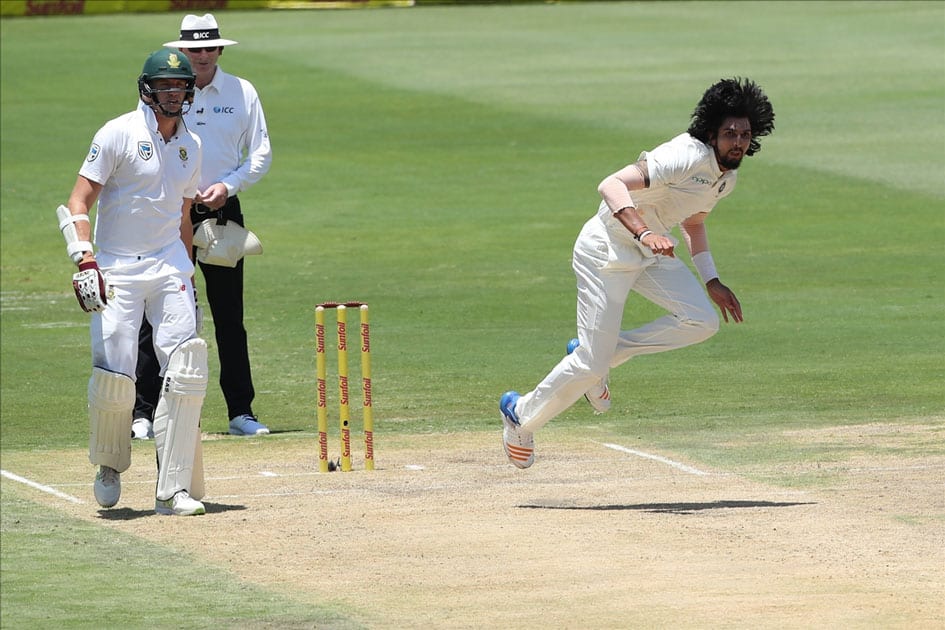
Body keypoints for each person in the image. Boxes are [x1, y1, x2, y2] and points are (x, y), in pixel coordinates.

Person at [499, 78, 776, 469]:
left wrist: (711, 280)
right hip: (606, 249)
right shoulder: (685, 155)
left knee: (701, 321)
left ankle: (601, 355)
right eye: (730, 133)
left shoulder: (725, 179)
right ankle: (519, 415)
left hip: (650, 252)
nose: (738, 142)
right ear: (712, 133)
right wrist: (644, 232)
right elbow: (611, 184)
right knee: (591, 367)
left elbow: (694, 224)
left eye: (745, 135)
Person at [59, 48, 208, 515]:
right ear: (147, 89)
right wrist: (85, 261)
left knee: (185, 365)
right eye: (164, 86)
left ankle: (174, 487)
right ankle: (108, 464)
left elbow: (184, 215)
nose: (172, 93)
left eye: (179, 86)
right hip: (118, 266)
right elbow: (79, 200)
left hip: (168, 265)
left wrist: (188, 269)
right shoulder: (118, 133)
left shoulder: (192, 146)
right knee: (115, 373)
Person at [132, 13, 273, 440]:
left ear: (220, 50)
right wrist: (176, 193)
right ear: (182, 51)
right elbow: (145, 146)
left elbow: (261, 151)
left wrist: (228, 186)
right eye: (195, 49)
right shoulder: (162, 89)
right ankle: (144, 413)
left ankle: (240, 412)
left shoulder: (241, 91)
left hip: (221, 212)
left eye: (210, 47)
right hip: (169, 214)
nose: (204, 55)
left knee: (229, 314)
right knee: (156, 311)